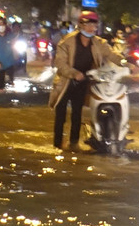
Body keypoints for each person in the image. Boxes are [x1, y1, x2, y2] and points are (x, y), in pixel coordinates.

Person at [49, 10, 124, 150]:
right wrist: (73, 73)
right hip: (65, 82)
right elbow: (60, 63)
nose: (91, 28)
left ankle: (74, 143)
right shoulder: (67, 42)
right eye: (88, 25)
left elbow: (111, 54)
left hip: (83, 82)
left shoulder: (98, 43)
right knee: (61, 114)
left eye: (94, 25)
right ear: (81, 25)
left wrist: (125, 62)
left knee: (77, 113)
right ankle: (57, 144)